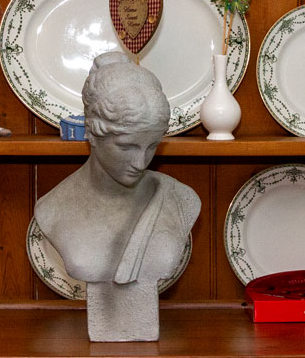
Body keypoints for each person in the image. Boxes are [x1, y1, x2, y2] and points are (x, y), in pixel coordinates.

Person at [33, 52, 200, 341]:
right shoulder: (53, 209)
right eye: (126, 147)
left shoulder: (181, 199)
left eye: (152, 147)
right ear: (92, 134)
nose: (141, 162)